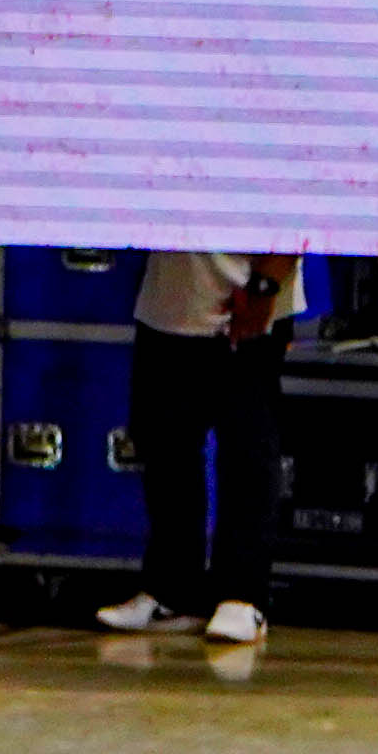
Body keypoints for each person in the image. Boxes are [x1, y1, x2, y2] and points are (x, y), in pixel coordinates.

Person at [108, 247, 302, 646]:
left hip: (250, 297)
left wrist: (266, 285)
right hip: (170, 298)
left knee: (246, 446)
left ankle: (244, 595)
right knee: (163, 443)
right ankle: (171, 590)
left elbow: (296, 210)